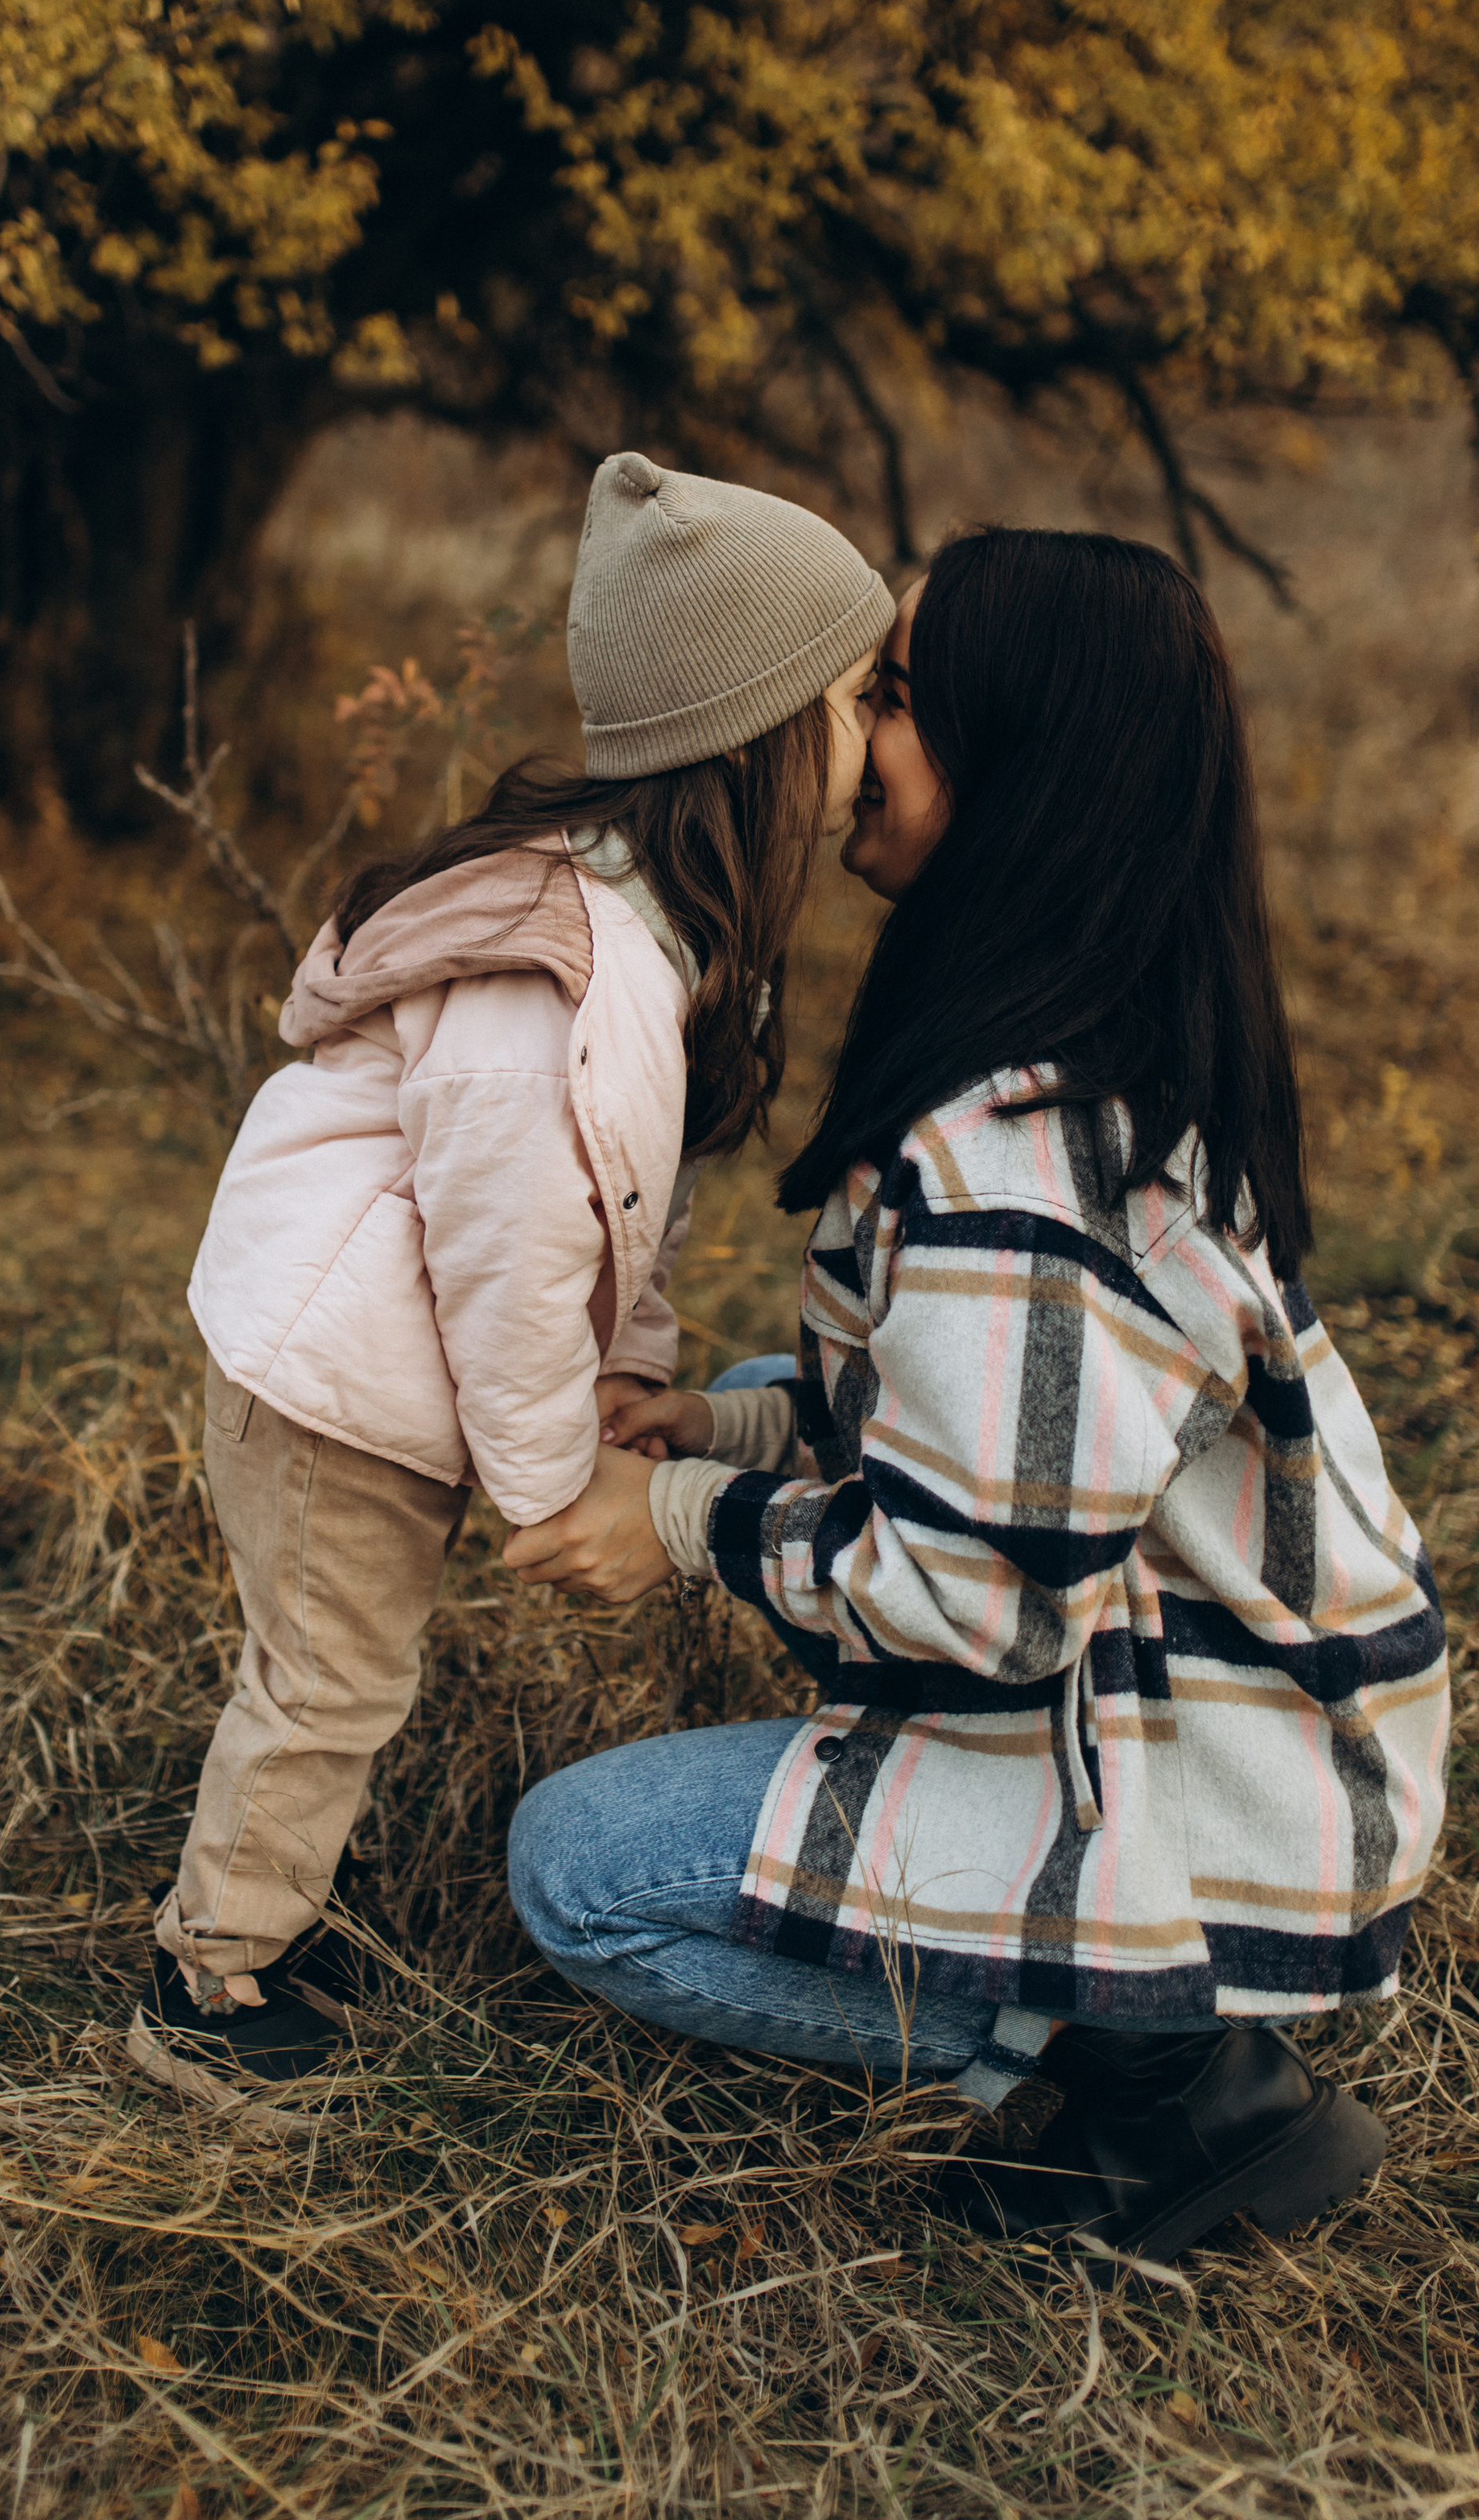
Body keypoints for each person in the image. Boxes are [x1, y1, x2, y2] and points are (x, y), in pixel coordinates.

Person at [504, 529, 1448, 2266]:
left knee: (580, 1875)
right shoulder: (1078, 1038)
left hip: (1199, 1769)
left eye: (890, 694)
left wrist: (682, 1521)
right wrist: (727, 1432)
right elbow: (973, 1427)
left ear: (1017, 758)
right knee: (754, 1388)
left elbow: (983, 1602)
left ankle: (1147, 2062)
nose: (844, 734)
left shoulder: (1020, 1167)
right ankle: (1113, 1999)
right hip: (1171, 1668)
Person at [129, 452, 894, 2117]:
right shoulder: (564, 974)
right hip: (329, 1384)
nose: (875, 739)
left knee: (339, 1670)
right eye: (854, 700)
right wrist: (554, 1482)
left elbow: (611, 1211)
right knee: (330, 1679)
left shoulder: (645, 930)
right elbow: (507, 1251)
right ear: (755, 736)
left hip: (375, 1368)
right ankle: (211, 1976)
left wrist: (628, 1376)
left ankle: (275, 1898)